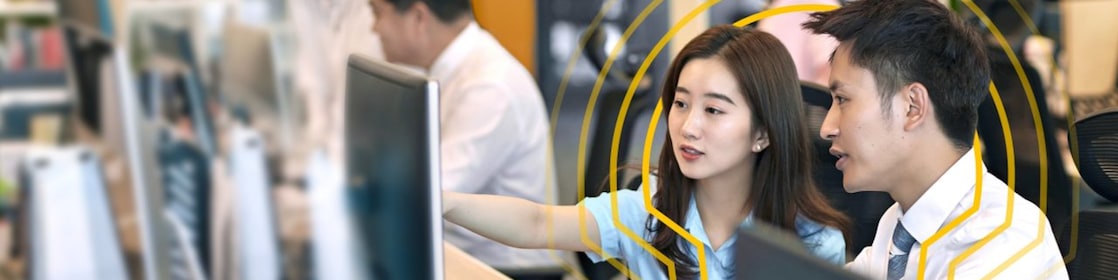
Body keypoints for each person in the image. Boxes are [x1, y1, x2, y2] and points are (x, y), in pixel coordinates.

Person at [443, 25, 851, 279]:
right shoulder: (646, 213)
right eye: (680, 103)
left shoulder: (813, 246)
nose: (688, 127)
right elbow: (536, 224)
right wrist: (443, 202)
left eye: (713, 110)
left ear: (762, 133)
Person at [801, 0, 1068, 279]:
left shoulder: (1002, 243)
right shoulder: (901, 224)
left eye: (843, 99)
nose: (827, 128)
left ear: (912, 107)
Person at [366, 0, 561, 271]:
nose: (374, 28)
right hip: (456, 250)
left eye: (377, 13)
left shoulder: (489, 88)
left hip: (501, 268)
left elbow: (428, 196)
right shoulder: (455, 72)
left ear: (419, 17)